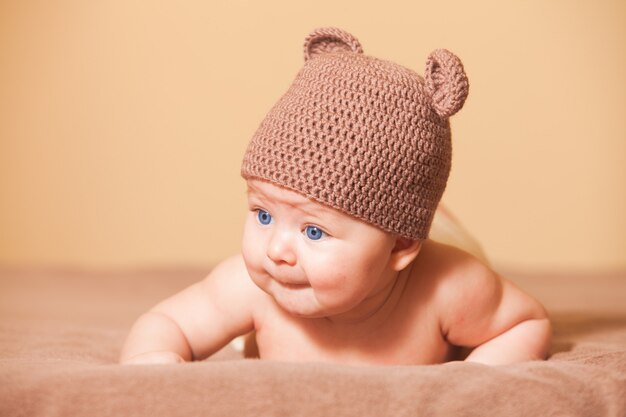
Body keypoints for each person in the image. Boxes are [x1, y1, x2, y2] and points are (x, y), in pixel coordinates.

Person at [120, 27, 551, 366]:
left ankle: (437, 220)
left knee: (449, 235)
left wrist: (480, 374)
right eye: (262, 215)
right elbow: (166, 322)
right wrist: (151, 360)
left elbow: (526, 322)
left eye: (312, 231)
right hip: (385, 230)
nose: (277, 251)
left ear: (400, 244)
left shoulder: (449, 288)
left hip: (428, 236)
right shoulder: (251, 289)